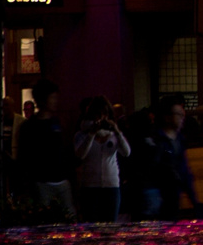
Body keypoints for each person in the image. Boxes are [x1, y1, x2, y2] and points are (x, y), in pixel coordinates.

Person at [18, 80, 74, 218]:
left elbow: (66, 150)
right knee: (44, 219)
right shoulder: (30, 127)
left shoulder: (58, 122)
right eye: (52, 98)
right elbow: (25, 156)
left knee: (70, 220)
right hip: (42, 182)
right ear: (43, 100)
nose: (55, 101)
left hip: (62, 179)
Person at [133, 101, 196, 220]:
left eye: (183, 115)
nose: (182, 118)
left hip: (172, 197)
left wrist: (193, 198)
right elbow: (147, 170)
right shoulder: (154, 141)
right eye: (179, 114)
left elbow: (184, 170)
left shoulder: (179, 140)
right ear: (167, 117)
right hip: (155, 199)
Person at [73, 96, 131, 223]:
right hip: (90, 186)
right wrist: (91, 134)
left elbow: (126, 152)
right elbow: (80, 154)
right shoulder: (82, 134)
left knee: (110, 225)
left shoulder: (113, 135)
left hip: (111, 186)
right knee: (91, 225)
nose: (101, 118)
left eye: (104, 114)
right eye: (98, 114)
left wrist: (117, 131)